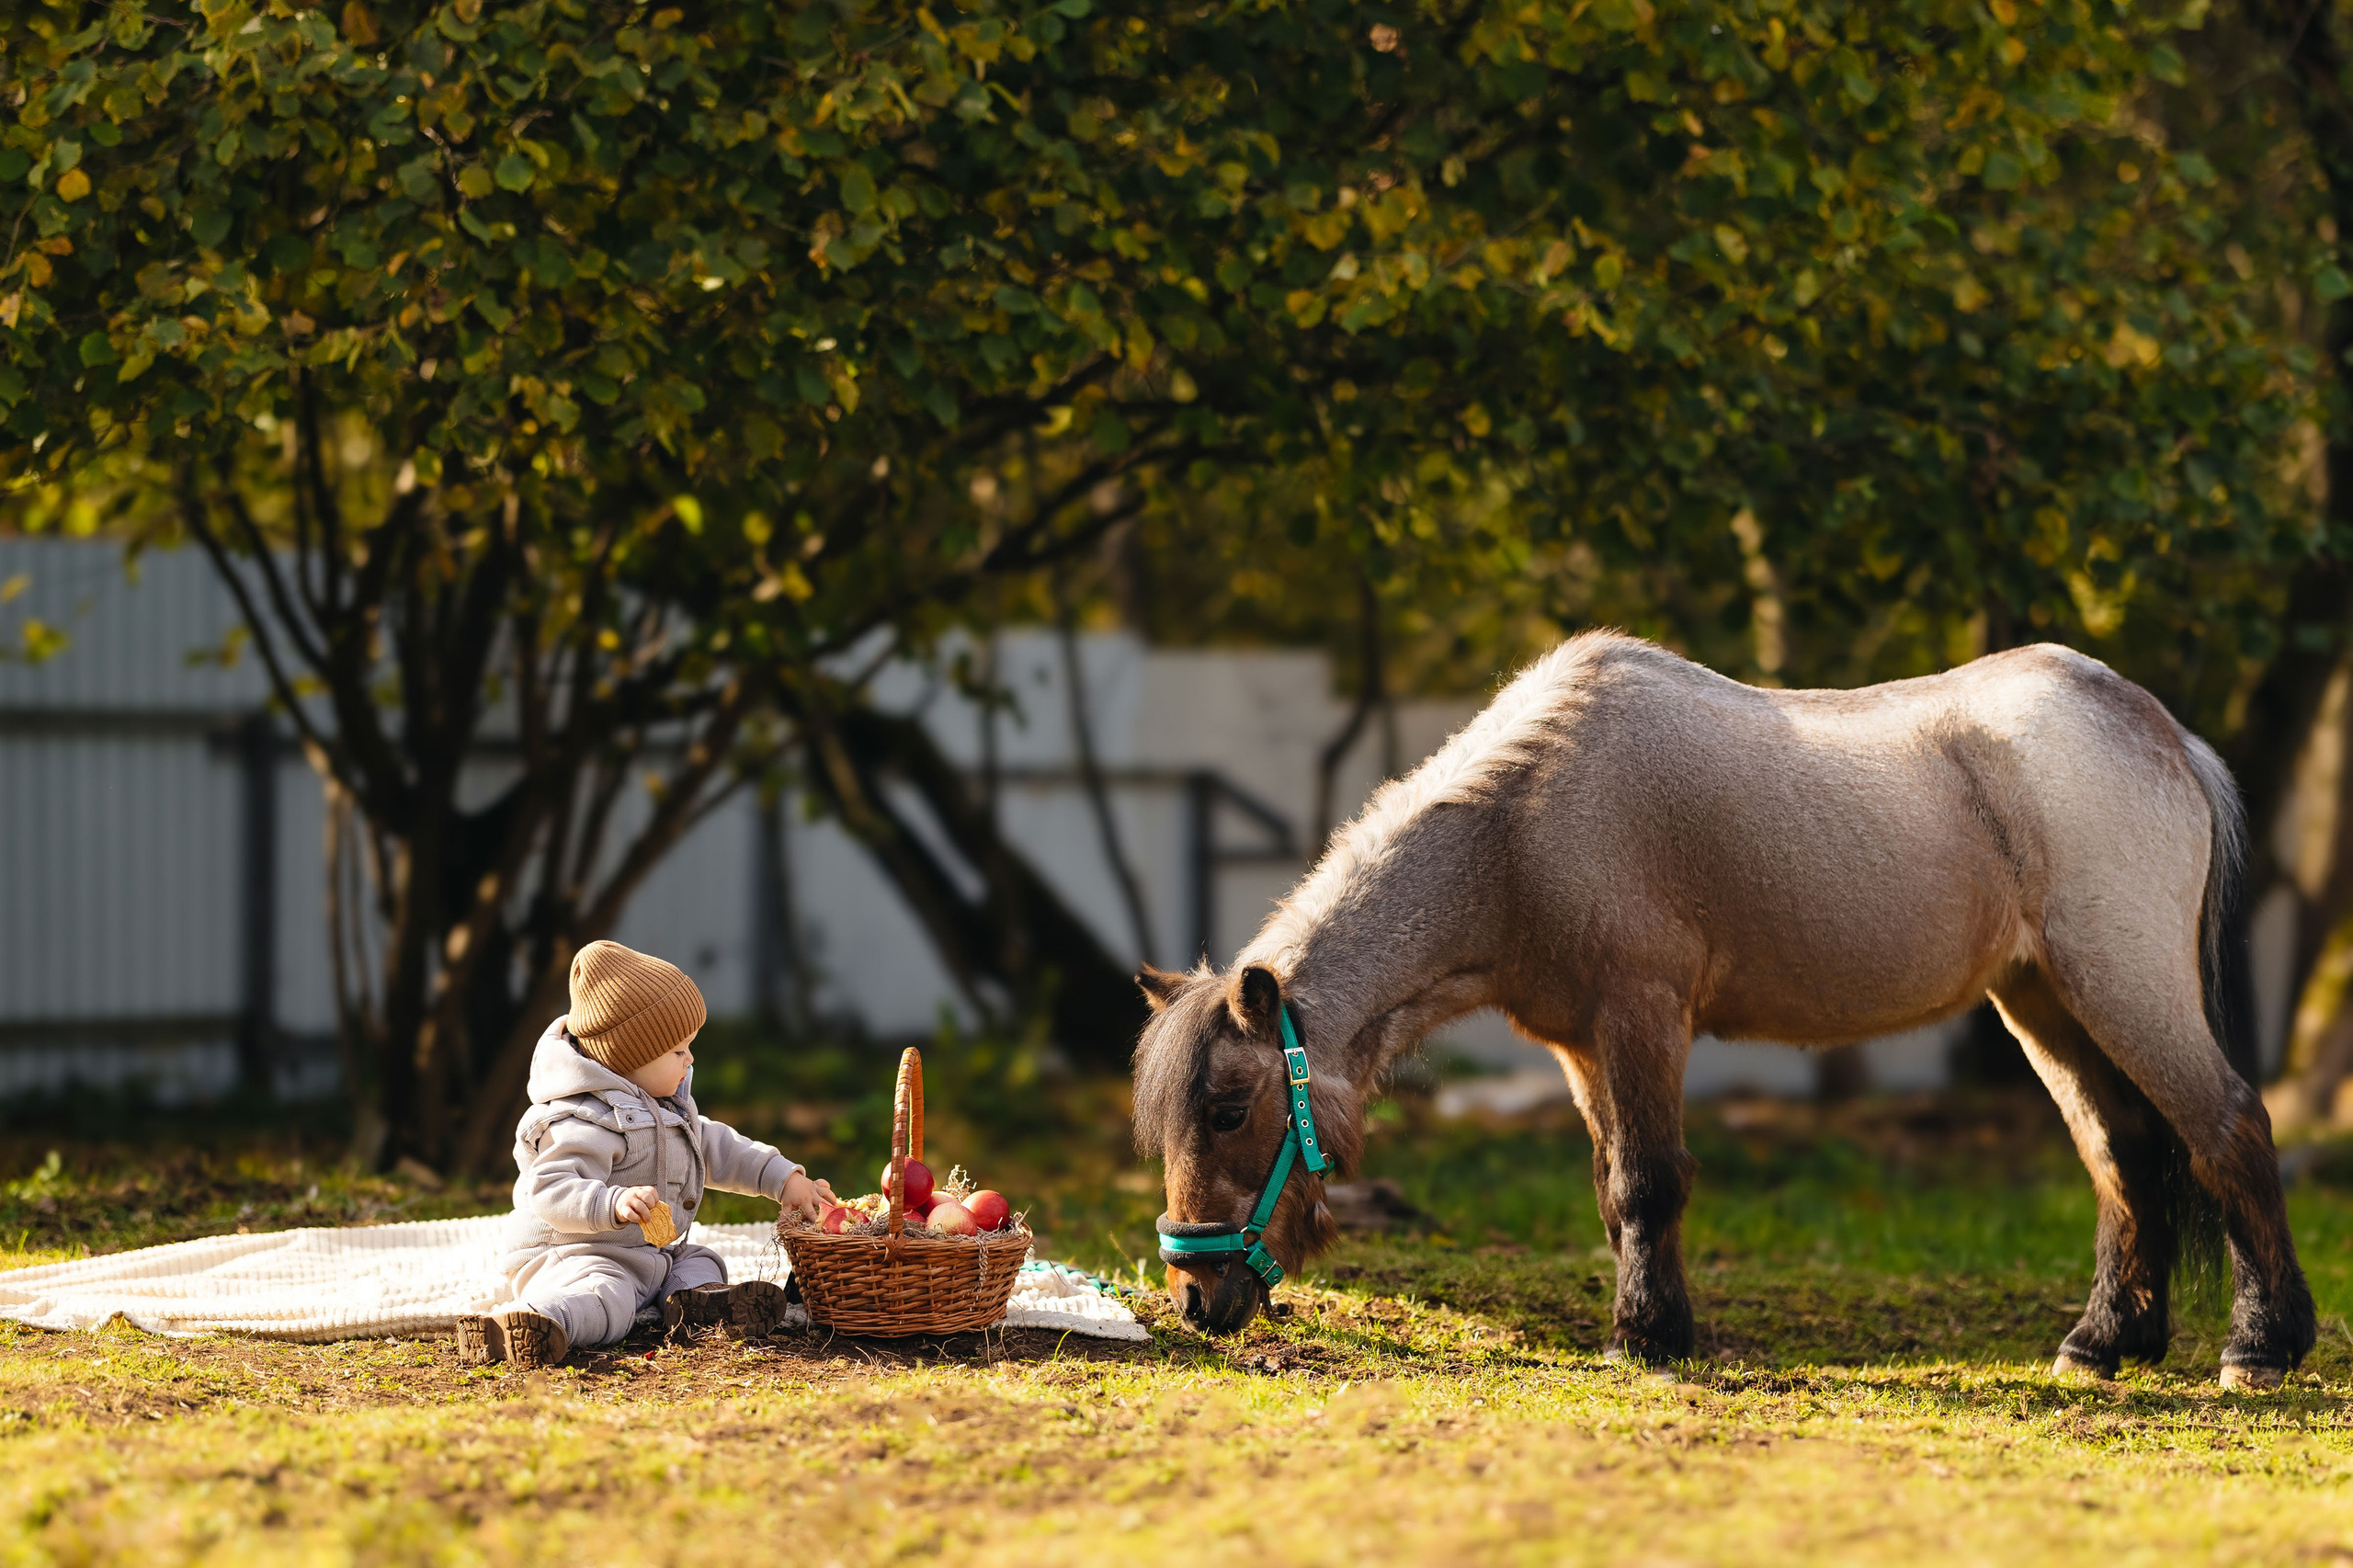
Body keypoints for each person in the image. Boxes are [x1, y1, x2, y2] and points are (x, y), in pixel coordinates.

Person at [456, 939, 832, 1367]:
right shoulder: (583, 1121)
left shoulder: (663, 1108)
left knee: (700, 1259)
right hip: (576, 1256)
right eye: (678, 1051)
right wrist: (612, 1203)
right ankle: (540, 1320)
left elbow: (719, 1147)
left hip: (649, 1253)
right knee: (607, 1298)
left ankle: (698, 1303)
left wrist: (783, 1178)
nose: (690, 1059)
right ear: (628, 1057)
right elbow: (551, 1188)